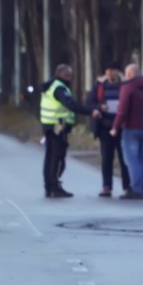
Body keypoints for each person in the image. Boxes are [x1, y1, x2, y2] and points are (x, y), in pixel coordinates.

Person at [40, 64, 101, 198]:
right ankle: (55, 187)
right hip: (58, 127)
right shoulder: (59, 88)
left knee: (50, 157)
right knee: (57, 158)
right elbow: (71, 105)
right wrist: (90, 111)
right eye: (68, 76)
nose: (70, 78)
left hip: (49, 125)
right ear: (61, 74)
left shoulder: (50, 85)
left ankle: (49, 187)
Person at [86, 61, 130, 198]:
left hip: (122, 127)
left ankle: (127, 187)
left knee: (124, 159)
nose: (110, 73)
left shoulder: (125, 84)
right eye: (108, 71)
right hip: (105, 126)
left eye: (113, 70)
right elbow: (89, 103)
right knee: (106, 158)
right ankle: (106, 187)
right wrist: (99, 108)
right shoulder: (99, 86)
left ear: (118, 72)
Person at [111, 63, 143, 200]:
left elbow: (122, 110)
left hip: (131, 128)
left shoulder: (128, 87)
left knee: (132, 160)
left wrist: (115, 127)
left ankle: (136, 189)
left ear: (129, 74)